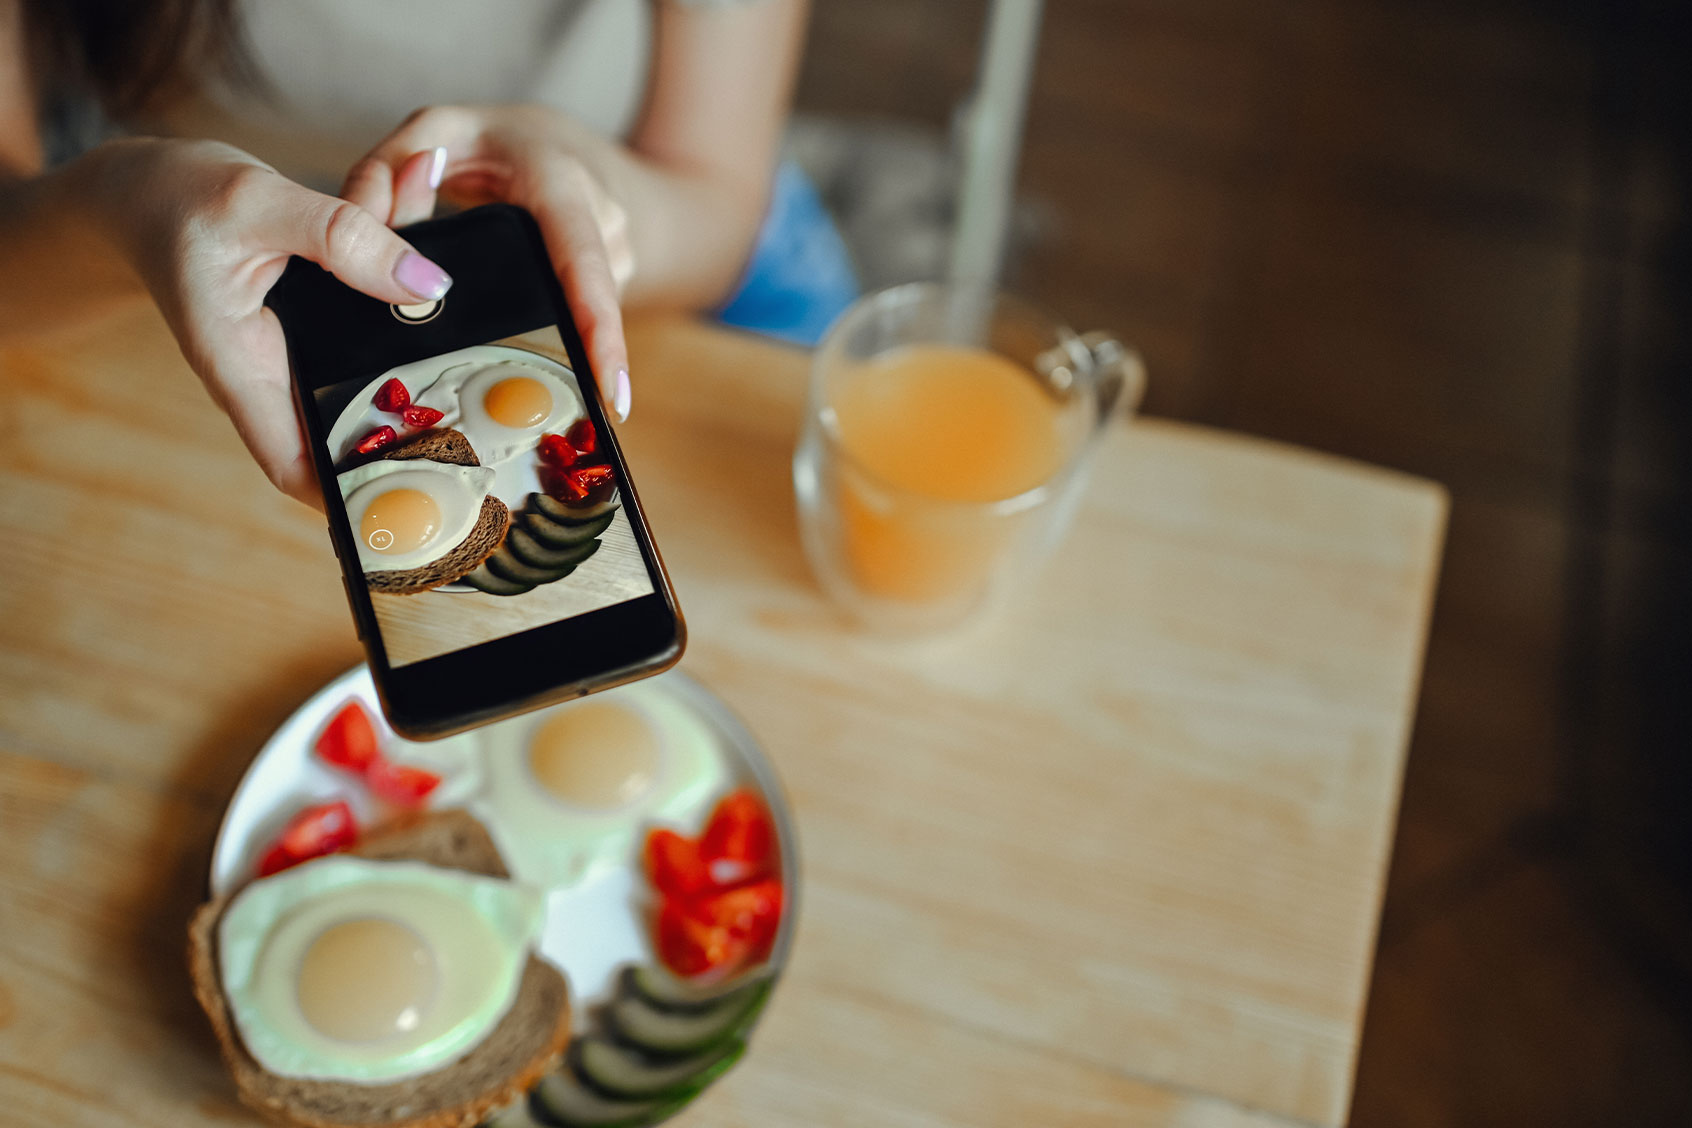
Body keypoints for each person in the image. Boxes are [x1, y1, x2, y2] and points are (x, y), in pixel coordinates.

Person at [0, 0, 816, 506]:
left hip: (667, 233)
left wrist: (606, 208)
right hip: (195, 282)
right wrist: (119, 205)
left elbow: (719, 201)